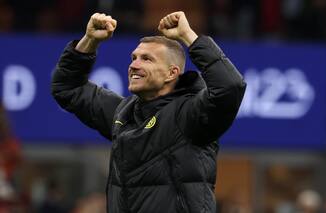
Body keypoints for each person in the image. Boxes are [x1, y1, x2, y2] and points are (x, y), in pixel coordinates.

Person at [52, 11, 246, 213]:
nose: (134, 65)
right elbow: (67, 87)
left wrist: (188, 35)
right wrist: (89, 40)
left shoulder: (190, 114)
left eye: (147, 59)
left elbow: (230, 86)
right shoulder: (122, 114)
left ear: (172, 73)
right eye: (134, 58)